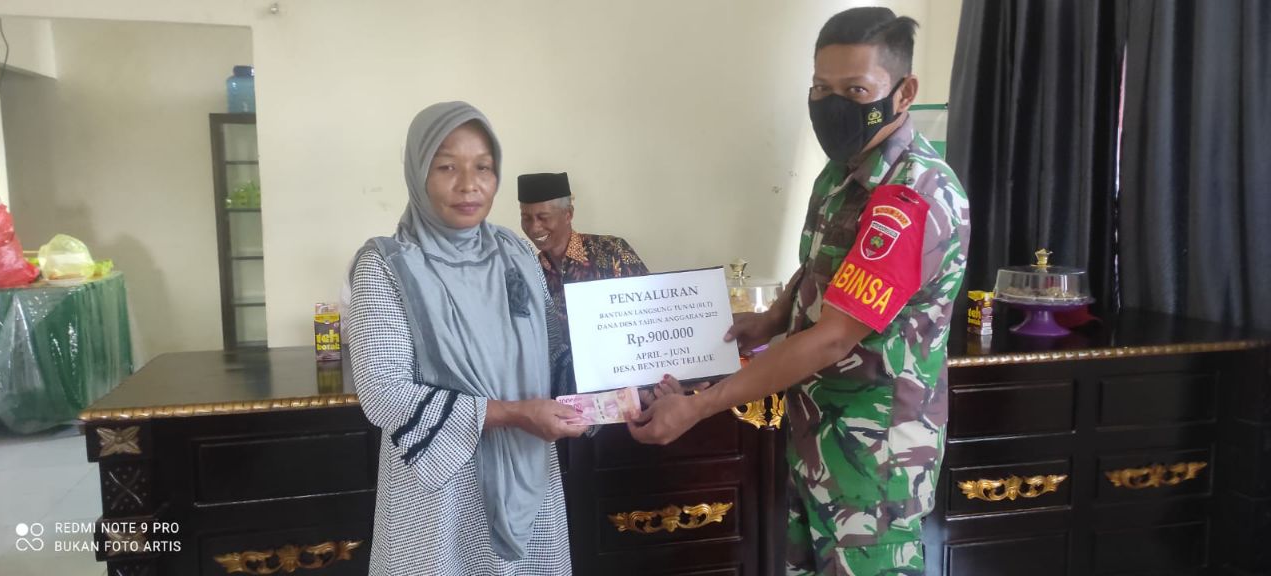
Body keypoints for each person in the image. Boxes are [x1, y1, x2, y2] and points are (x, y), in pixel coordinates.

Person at [628, 8, 971, 575]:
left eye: (855, 90)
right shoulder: (841, 174)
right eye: (820, 88)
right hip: (817, 434)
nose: (833, 105)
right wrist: (772, 318)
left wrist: (698, 407)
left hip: (875, 459)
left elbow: (833, 337)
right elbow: (817, 266)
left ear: (904, 92)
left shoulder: (911, 198)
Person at [345, 102, 587, 575]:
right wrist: (515, 413)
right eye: (446, 167)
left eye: (483, 167)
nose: (468, 184)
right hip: (439, 498)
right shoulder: (387, 266)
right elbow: (384, 393)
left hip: (529, 478)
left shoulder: (515, 252)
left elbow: (555, 350)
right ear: (418, 172)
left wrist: (618, 384)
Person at [518, 172, 649, 338]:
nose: (534, 228)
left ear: (568, 214)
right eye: (526, 218)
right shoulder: (530, 273)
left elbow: (649, 312)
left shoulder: (612, 252)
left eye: (543, 217)